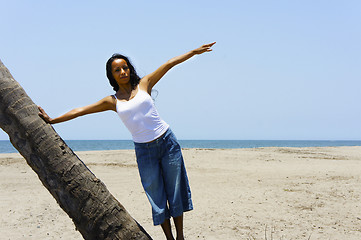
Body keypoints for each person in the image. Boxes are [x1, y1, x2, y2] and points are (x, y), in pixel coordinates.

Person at [38, 42, 216, 240]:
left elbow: (168, 64)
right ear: (112, 75)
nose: (123, 71)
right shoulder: (112, 101)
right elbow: (81, 110)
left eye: (125, 67)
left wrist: (193, 52)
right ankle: (169, 238)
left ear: (130, 69)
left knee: (174, 192)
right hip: (144, 151)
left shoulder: (144, 85)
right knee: (156, 198)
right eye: (117, 70)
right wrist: (53, 120)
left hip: (167, 142)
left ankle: (180, 237)